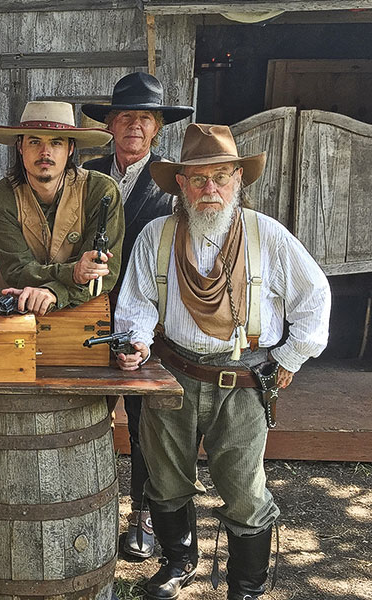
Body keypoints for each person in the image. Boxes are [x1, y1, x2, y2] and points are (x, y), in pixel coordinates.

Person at [114, 124, 331, 600]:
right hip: (172, 373)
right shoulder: (157, 235)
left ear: (238, 180)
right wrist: (136, 344)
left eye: (221, 177)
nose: (209, 188)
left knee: (244, 488)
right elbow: (136, 304)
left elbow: (314, 298)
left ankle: (246, 586)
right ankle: (178, 562)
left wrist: (290, 357)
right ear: (181, 184)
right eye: (197, 178)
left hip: (245, 380)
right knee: (166, 476)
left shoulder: (267, 236)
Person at [81, 72, 194, 560]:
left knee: (144, 417)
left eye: (144, 118)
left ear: (157, 128)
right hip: (86, 311)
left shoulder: (172, 183)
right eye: (125, 116)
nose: (133, 126)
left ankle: (141, 515)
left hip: (149, 317)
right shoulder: (84, 173)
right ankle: (87, 503)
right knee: (85, 412)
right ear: (109, 124)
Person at [0, 100, 123, 315]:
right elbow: (17, 270)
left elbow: (103, 271)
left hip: (81, 313)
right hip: (14, 309)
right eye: (35, 142)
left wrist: (55, 293)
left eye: (56, 143)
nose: (45, 152)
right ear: (20, 146)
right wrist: (73, 272)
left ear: (70, 148)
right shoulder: (0, 197)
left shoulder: (100, 191)